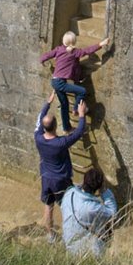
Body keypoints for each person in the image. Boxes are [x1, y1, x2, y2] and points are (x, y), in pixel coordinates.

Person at [35, 91, 88, 242]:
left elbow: (39, 120)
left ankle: (50, 235)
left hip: (46, 179)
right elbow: (78, 133)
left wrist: (47, 104)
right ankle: (70, 235)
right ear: (56, 126)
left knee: (48, 207)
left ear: (45, 128)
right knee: (68, 207)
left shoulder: (38, 138)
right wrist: (82, 115)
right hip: (61, 180)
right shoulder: (60, 143)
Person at [40, 32, 109, 130]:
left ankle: (67, 128)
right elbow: (87, 51)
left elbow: (48, 55)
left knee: (64, 106)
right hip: (60, 83)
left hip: (55, 81)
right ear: (74, 42)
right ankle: (76, 109)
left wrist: (42, 60)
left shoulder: (59, 49)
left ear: (63, 41)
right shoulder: (74, 52)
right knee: (82, 91)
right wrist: (101, 44)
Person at [61, 167, 118, 257]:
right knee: (106, 227)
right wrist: (105, 191)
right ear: (99, 187)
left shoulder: (70, 193)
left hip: (68, 243)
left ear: (84, 181)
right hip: (82, 252)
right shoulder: (91, 208)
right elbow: (112, 213)